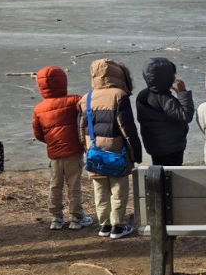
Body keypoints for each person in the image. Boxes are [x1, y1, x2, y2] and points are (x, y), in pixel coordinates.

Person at [79, 59, 142, 240]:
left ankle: (104, 224)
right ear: (119, 74)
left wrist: (87, 150)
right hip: (116, 152)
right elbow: (127, 128)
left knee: (100, 190)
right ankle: (117, 225)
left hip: (94, 151)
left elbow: (81, 128)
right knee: (118, 189)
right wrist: (135, 153)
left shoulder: (86, 98)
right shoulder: (119, 95)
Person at [32, 66, 93, 231]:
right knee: (74, 184)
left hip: (54, 153)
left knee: (55, 184)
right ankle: (76, 216)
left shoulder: (39, 108)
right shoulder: (74, 101)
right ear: (63, 82)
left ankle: (56, 218)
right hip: (73, 151)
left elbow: (38, 134)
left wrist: (52, 142)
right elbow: (86, 118)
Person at [136, 57, 195, 167]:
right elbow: (186, 115)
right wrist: (182, 93)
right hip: (171, 147)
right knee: (172, 176)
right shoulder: (164, 99)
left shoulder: (142, 95)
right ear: (166, 78)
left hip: (153, 144)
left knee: (159, 172)